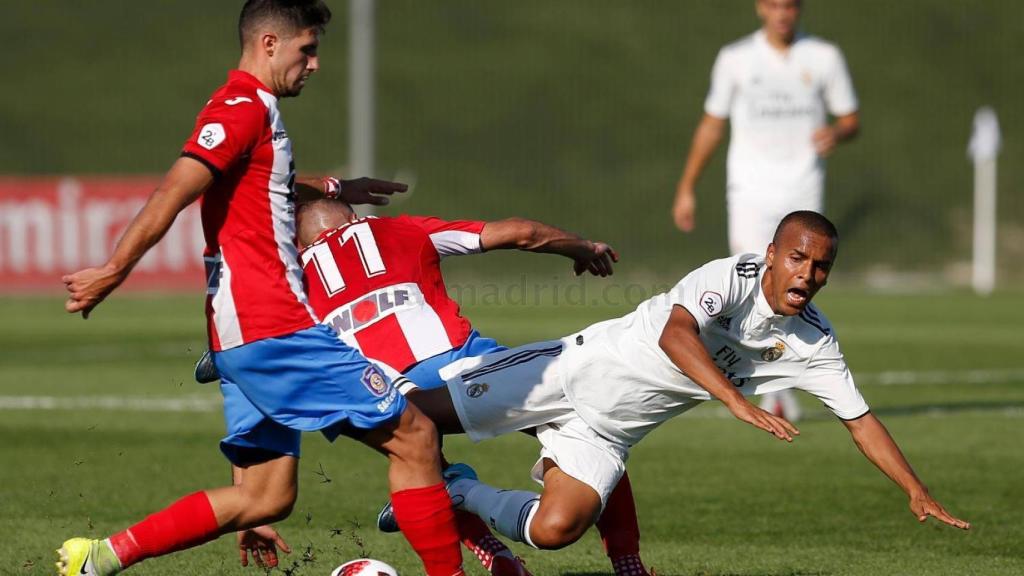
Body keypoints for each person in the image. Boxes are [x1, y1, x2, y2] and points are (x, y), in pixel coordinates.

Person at [57, 2, 466, 575]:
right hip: (274, 325)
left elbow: (260, 174)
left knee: (263, 497)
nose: (314, 63)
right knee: (416, 437)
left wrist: (336, 187)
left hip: (241, 336)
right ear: (269, 43)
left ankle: (98, 558)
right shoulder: (243, 106)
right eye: (307, 49)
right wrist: (114, 268)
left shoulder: (250, 110)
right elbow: (177, 186)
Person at [406, 211, 970, 554]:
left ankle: (458, 492)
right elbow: (675, 335)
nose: (807, 273)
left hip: (608, 433)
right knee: (409, 418)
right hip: (567, 372)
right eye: (797, 258)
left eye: (821, 266)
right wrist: (735, 401)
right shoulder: (733, 276)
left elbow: (861, 421)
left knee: (556, 529)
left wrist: (914, 489)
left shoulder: (814, 342)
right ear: (771, 255)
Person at [198, 198, 655, 575]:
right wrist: (580, 247)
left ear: (300, 243)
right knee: (587, 422)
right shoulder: (402, 229)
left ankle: (490, 550)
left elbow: (248, 372)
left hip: (388, 395)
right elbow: (520, 233)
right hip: (468, 368)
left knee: (422, 463)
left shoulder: (291, 278)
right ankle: (627, 562)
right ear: (356, 218)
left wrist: (245, 501)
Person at [671, 0, 861, 421]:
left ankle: (776, 386)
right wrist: (687, 187)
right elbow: (712, 124)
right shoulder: (735, 58)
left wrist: (837, 132)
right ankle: (744, 380)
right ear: (760, 7)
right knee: (754, 284)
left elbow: (851, 118)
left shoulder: (824, 57)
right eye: (774, 4)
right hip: (750, 191)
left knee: (794, 286)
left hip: (802, 190)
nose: (782, 12)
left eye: (789, 4)